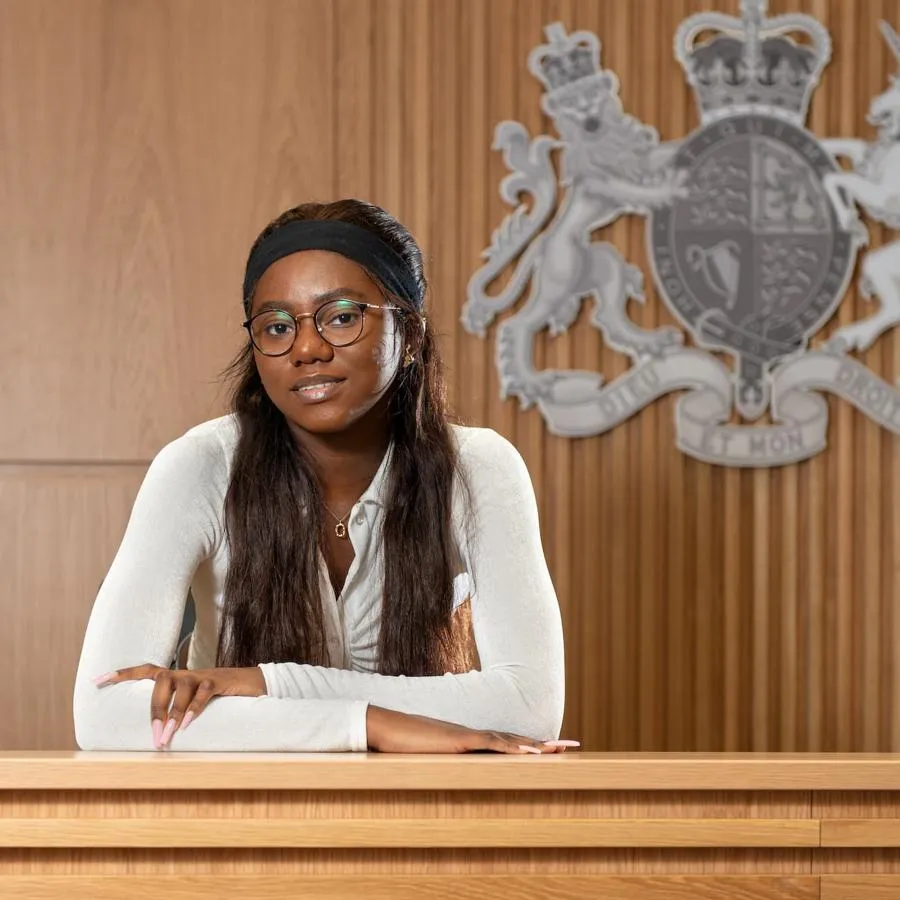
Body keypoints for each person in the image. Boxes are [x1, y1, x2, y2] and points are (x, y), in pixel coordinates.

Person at [73, 199, 572, 754]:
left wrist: (269, 684)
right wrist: (368, 725)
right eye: (278, 326)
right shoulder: (199, 466)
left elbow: (530, 707)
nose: (307, 349)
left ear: (408, 335)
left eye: (341, 317)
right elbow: (104, 717)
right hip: (233, 816)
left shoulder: (478, 469)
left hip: (420, 813)